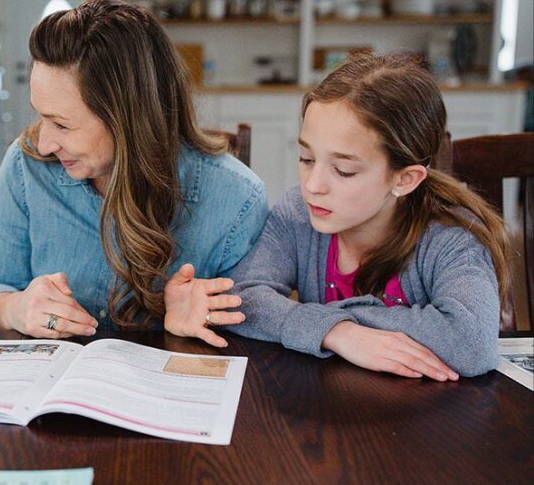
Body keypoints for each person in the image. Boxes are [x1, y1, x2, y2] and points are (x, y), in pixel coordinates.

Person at [167, 53, 508, 378]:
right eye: (306, 158)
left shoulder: (451, 237)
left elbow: (472, 342)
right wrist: (338, 333)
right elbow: (244, 298)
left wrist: (319, 322)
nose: (313, 186)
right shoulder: (297, 214)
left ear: (405, 179)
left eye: (343, 171)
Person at [0, 0, 267, 346]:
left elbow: (253, 339)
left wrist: (201, 320)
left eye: (62, 125)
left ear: (129, 120)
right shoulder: (26, 166)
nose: (46, 143)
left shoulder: (237, 198)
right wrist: (16, 308)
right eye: (41, 116)